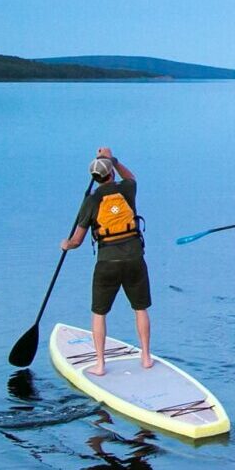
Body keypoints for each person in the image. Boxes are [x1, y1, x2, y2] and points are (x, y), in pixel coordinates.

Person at [61, 148, 152, 376]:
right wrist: (113, 159)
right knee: (140, 308)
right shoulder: (127, 190)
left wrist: (66, 244)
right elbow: (130, 177)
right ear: (111, 173)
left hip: (107, 263)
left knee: (99, 313)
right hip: (134, 259)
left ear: (94, 178)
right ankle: (146, 357)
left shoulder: (91, 201)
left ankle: (100, 364)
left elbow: (77, 241)